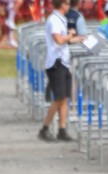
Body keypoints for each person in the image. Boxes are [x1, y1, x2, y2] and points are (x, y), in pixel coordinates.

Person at [38, 0, 85, 142]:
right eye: (67, 4)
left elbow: (66, 40)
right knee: (58, 99)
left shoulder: (61, 19)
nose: (69, 6)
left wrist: (81, 39)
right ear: (62, 5)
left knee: (64, 98)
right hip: (56, 63)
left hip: (63, 62)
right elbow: (58, 40)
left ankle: (62, 130)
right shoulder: (54, 20)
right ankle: (44, 128)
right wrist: (71, 35)